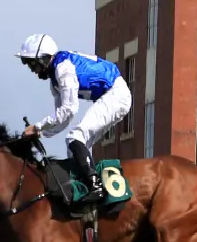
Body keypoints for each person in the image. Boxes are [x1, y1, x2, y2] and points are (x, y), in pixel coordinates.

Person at [16, 34, 132, 203]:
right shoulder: (55, 80)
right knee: (73, 149)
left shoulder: (63, 69)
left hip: (116, 94)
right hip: (110, 96)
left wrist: (37, 127)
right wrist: (40, 133)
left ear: (43, 58)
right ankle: (85, 188)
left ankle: (95, 186)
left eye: (32, 64)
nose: (33, 70)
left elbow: (69, 109)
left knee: (75, 137)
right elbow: (62, 119)